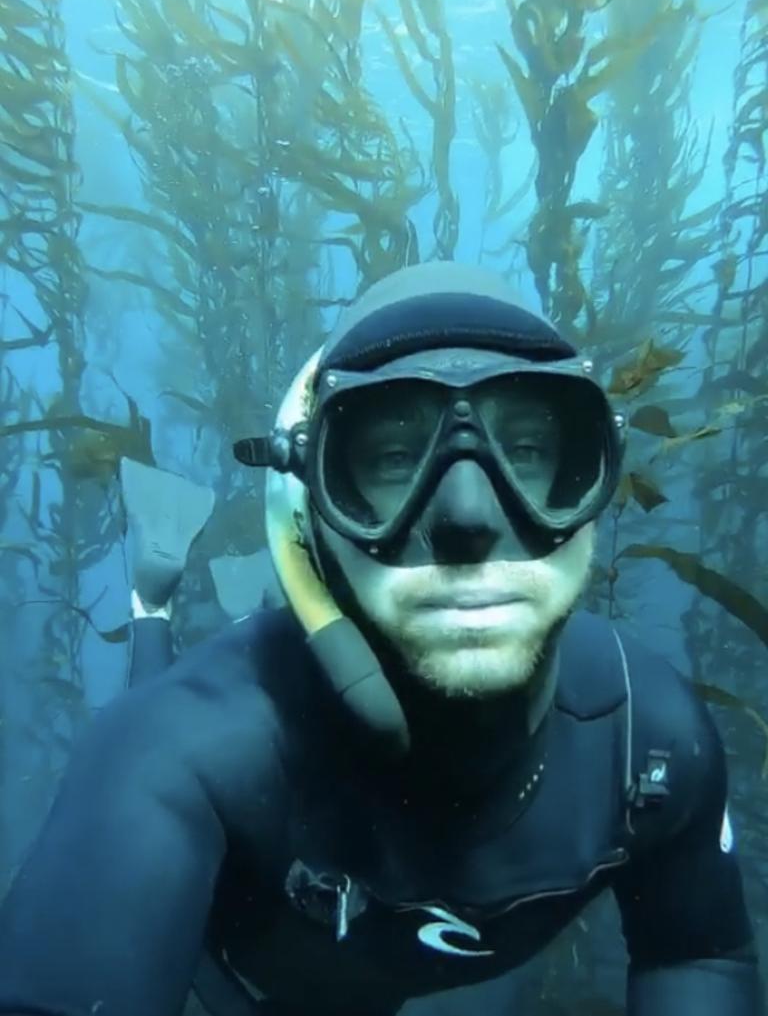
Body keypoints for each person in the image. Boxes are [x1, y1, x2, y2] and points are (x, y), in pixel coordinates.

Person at [0, 261, 763, 1016]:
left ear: (591, 478)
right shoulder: (177, 753)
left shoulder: (651, 742)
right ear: (313, 503)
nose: (468, 521)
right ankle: (151, 604)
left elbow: (695, 951)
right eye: (396, 459)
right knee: (163, 692)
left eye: (527, 451)